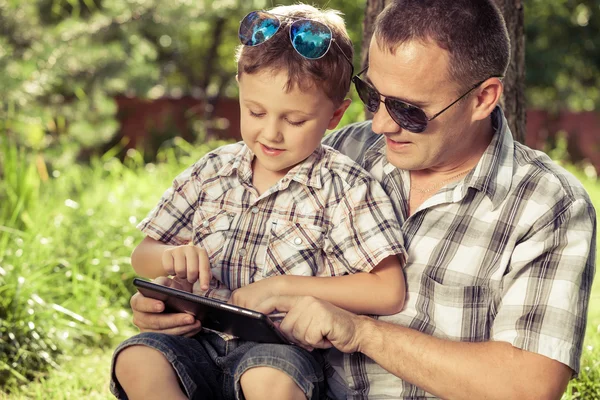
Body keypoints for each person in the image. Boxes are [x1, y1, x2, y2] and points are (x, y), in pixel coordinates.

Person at [124, 0, 597, 399]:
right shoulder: (334, 152)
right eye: (373, 95)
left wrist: (361, 331)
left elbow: (529, 386)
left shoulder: (547, 204)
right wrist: (173, 307)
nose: (381, 126)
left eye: (410, 111)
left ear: (483, 98)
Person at [110, 4, 408, 400]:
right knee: (137, 358)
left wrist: (285, 288)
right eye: (255, 111)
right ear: (239, 89)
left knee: (269, 379)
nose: (271, 133)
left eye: (295, 121)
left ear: (335, 115)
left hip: (280, 352)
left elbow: (388, 290)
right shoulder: (213, 170)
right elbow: (142, 255)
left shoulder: (346, 186)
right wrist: (170, 259)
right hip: (196, 339)